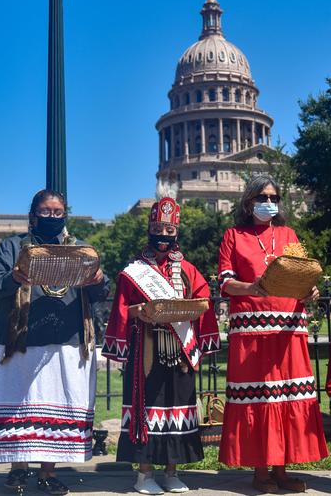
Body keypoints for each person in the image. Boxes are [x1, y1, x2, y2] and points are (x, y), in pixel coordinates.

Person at [0, 189, 110, 495]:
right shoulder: (13, 247)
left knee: (57, 405)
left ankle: (48, 473)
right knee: (18, 406)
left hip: (65, 341)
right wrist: (14, 277)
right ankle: (17, 469)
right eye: (45, 211)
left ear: (65, 215)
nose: (52, 217)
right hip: (20, 339)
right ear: (32, 215)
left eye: (58, 212)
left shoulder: (80, 249)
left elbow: (98, 295)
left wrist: (99, 280)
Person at [217, 175, 328, 493]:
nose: (269, 203)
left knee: (287, 396)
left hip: (289, 328)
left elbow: (302, 272)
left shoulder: (289, 233)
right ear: (249, 201)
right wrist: (252, 287)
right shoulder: (234, 236)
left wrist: (310, 290)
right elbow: (224, 282)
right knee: (261, 397)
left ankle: (282, 470)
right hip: (252, 330)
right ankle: (261, 471)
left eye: (274, 198)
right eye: (263, 197)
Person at [103, 197, 221, 495]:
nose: (163, 236)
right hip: (147, 347)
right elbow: (121, 309)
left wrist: (194, 311)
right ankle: (144, 474)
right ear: (149, 229)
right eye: (158, 228)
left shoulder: (189, 269)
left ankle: (171, 472)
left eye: (169, 230)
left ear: (176, 232)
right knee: (148, 408)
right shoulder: (134, 271)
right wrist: (137, 311)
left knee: (177, 408)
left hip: (179, 350)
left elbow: (205, 300)